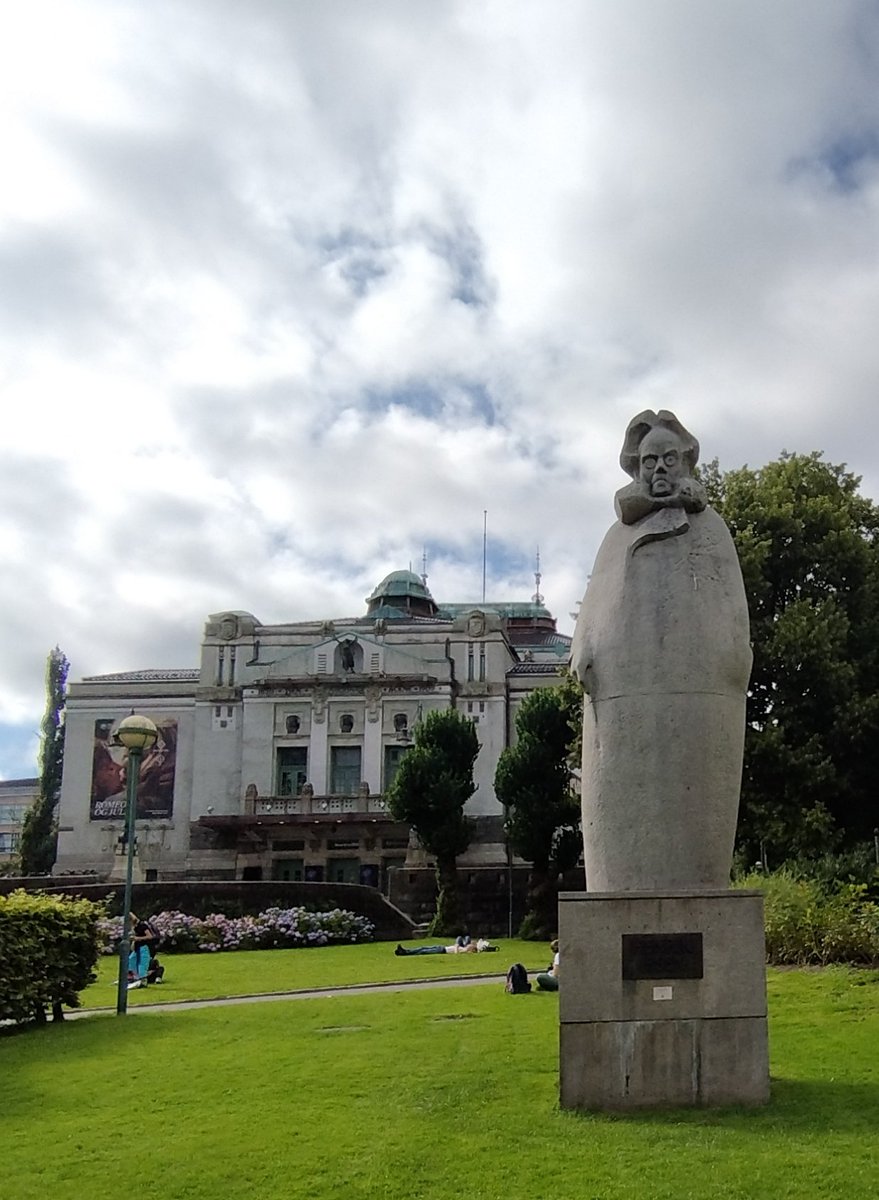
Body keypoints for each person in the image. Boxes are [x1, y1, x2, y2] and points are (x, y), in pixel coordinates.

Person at [394, 936, 498, 956]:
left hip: (442, 950)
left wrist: (457, 946)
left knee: (423, 951)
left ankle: (405, 952)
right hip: (442, 947)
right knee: (423, 948)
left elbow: (456, 951)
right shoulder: (466, 948)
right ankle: (405, 951)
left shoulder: (465, 951)